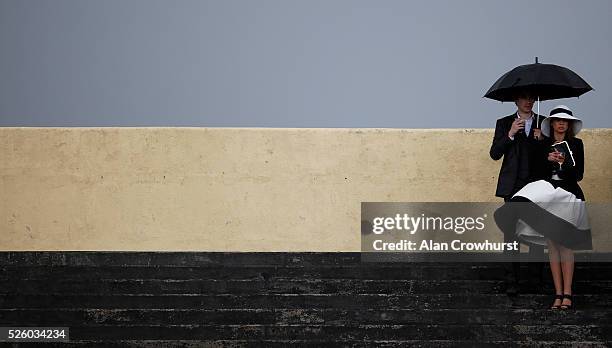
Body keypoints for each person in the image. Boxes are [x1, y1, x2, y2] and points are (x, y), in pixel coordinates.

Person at [508, 105, 591, 310]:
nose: (562, 123)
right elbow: (535, 173)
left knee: (566, 244)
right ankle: (558, 293)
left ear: (569, 125)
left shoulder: (576, 144)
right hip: (548, 196)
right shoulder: (542, 145)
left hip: (568, 195)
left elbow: (579, 174)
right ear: (552, 123)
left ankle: (568, 294)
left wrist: (564, 162)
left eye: (565, 121)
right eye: (558, 120)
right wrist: (548, 160)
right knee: (552, 244)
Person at [489, 91, 548, 296]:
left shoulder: (544, 123)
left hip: (537, 185)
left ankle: (536, 280)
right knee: (511, 234)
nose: (528, 101)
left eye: (532, 97)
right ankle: (511, 280)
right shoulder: (504, 123)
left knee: (538, 235)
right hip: (513, 186)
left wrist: (543, 140)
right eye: (524, 98)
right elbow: (495, 153)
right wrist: (510, 134)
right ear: (516, 100)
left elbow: (553, 153)